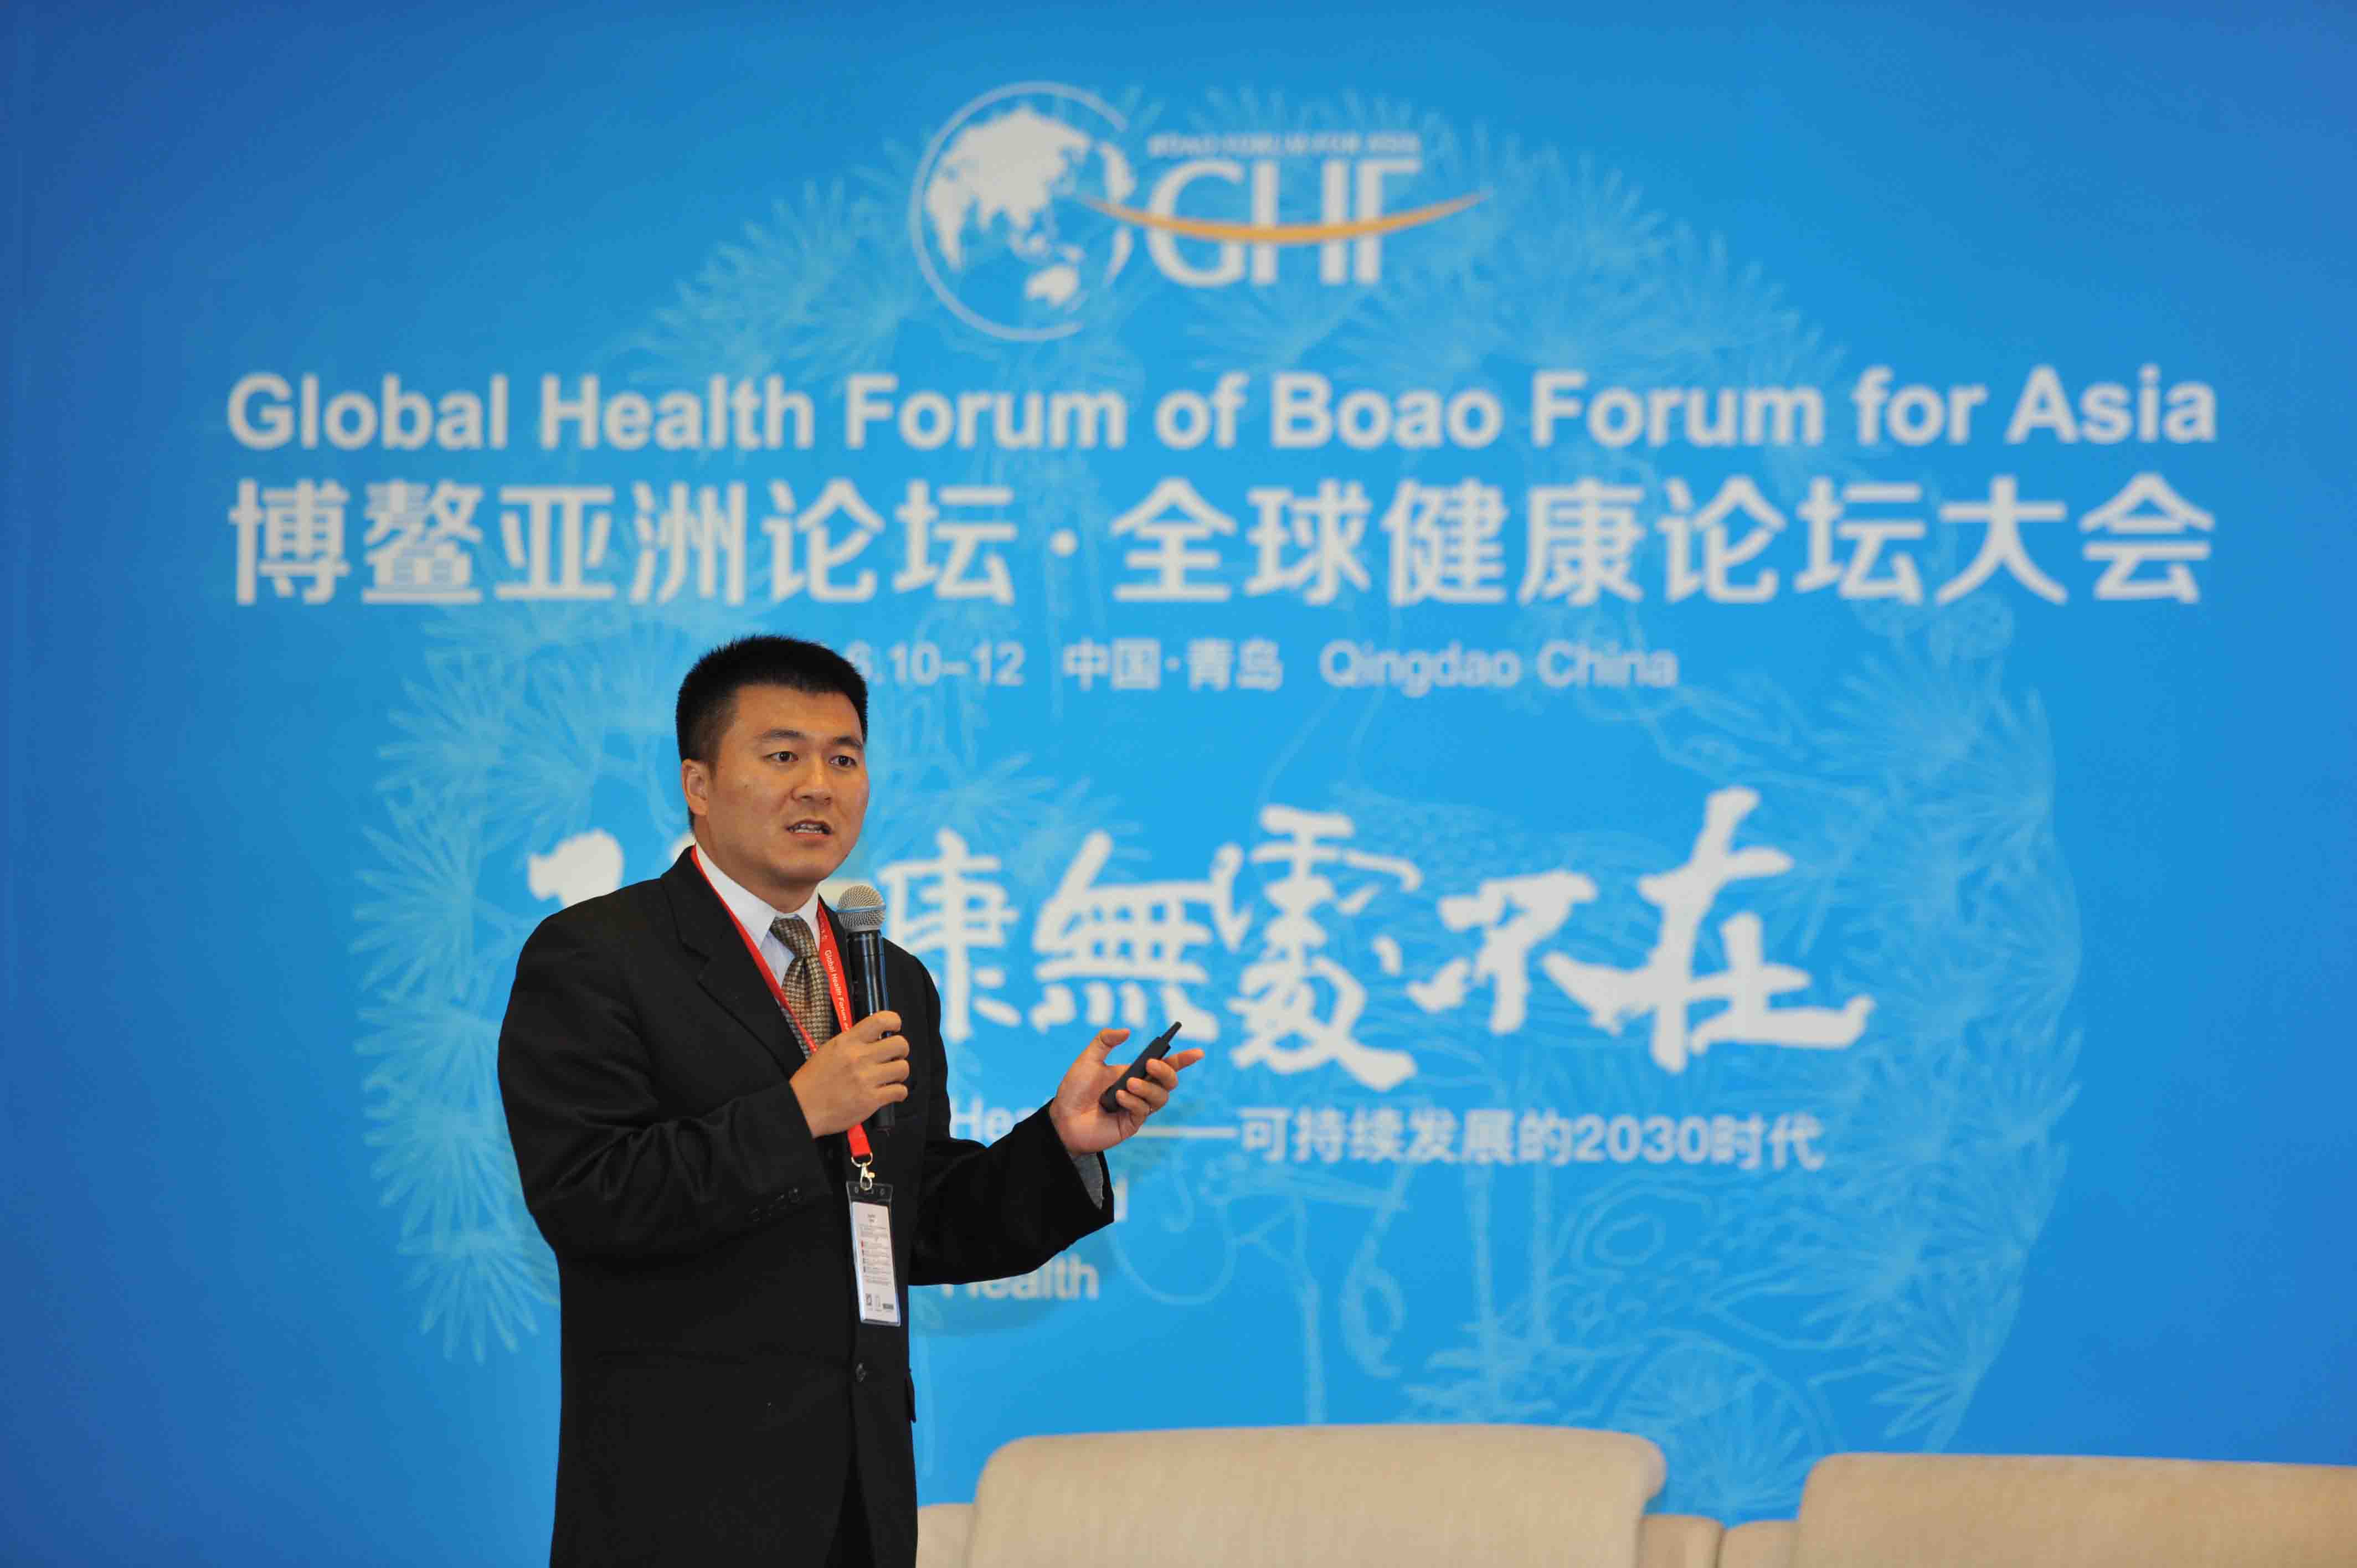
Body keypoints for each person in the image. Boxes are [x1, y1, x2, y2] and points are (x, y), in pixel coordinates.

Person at [497, 635, 1200, 1568]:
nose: (818, 787)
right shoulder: (598, 956)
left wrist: (1062, 1144)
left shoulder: (890, 977)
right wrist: (796, 1115)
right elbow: (590, 1197)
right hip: (680, 1499)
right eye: (782, 756)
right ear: (698, 784)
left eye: (843, 759)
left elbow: (918, 1218)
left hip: (859, 1501)